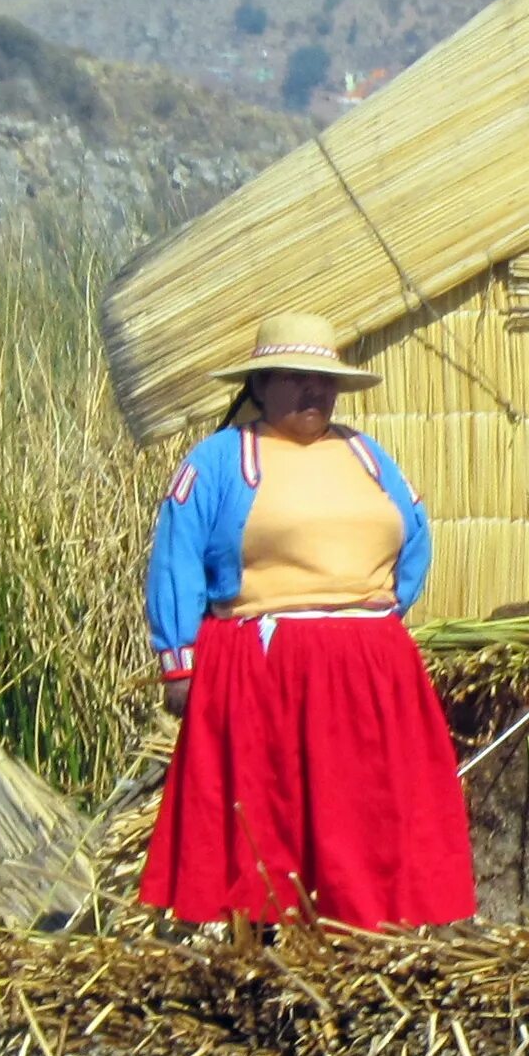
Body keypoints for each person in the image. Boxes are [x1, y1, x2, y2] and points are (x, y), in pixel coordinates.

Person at [140, 311, 475, 929]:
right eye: (296, 378)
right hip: (263, 667)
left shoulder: (365, 454)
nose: (315, 392)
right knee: (274, 809)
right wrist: (179, 661)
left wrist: (371, 622)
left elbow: (417, 536)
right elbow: (175, 555)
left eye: (324, 381)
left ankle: (370, 933)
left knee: (368, 805)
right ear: (261, 386)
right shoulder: (221, 460)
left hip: (369, 667)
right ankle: (269, 943)